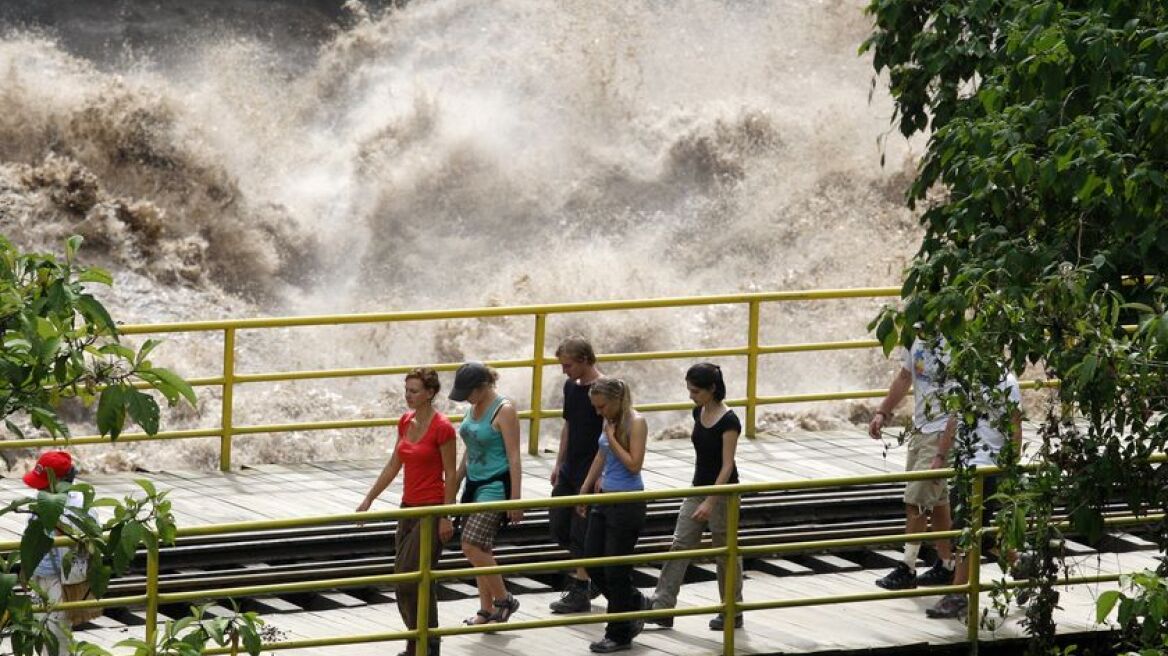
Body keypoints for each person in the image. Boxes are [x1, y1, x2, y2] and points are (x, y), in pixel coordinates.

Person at [356, 368, 458, 656]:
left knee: (412, 576)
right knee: (408, 579)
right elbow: (393, 465)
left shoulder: (443, 427)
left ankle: (425, 642)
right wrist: (369, 499)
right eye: (407, 390)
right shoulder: (405, 421)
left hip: (432, 509)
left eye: (414, 391)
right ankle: (421, 640)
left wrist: (445, 515)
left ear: (430, 393)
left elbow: (450, 474)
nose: (408, 396)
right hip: (408, 508)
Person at [649, 363, 744, 631]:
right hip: (697, 488)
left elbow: (727, 465)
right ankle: (662, 606)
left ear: (712, 389)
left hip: (723, 493)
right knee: (680, 543)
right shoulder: (697, 412)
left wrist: (711, 500)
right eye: (689, 390)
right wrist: (699, 495)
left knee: (725, 552)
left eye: (696, 391)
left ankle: (732, 609)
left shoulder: (729, 421)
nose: (691, 395)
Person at [926, 372, 1024, 619]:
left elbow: (1015, 423)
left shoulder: (1006, 381)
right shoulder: (965, 377)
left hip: (989, 466)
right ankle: (1023, 565)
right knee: (981, 535)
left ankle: (959, 593)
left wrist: (1011, 468)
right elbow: (953, 419)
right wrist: (940, 457)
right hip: (965, 465)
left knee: (965, 530)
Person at [868, 335, 956, 589]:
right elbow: (905, 377)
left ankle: (907, 567)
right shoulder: (918, 339)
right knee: (938, 500)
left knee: (916, 499)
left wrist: (942, 451)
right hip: (921, 430)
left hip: (942, 432)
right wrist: (882, 412)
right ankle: (947, 564)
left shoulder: (956, 344)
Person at [449, 362, 524, 627]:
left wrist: (516, 500)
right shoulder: (472, 408)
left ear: (482, 387)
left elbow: (514, 457)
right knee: (482, 549)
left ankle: (505, 600)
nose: (466, 398)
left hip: (495, 486)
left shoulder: (504, 410)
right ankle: (486, 610)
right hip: (473, 484)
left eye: (468, 392)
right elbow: (469, 449)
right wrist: (455, 485)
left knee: (469, 545)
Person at [578, 377, 650, 653]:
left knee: (615, 569)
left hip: (627, 501)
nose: (599, 412)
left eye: (602, 406)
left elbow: (634, 464)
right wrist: (584, 491)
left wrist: (611, 438)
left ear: (617, 400)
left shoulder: (636, 422)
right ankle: (632, 603)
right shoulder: (608, 420)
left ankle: (618, 633)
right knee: (592, 561)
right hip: (605, 498)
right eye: (596, 408)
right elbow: (600, 456)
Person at [548, 337, 604, 614]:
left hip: (590, 470)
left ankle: (582, 586)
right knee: (559, 524)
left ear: (584, 360)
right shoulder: (571, 386)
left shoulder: (604, 389)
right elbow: (568, 426)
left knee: (581, 530)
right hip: (571, 468)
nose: (564, 370)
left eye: (568, 365)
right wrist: (559, 463)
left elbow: (610, 435)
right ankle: (590, 573)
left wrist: (599, 475)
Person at [25, 450, 94, 656]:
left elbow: (90, 537)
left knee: (57, 639)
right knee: (42, 633)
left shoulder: (79, 506)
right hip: (40, 576)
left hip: (60, 580)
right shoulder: (43, 501)